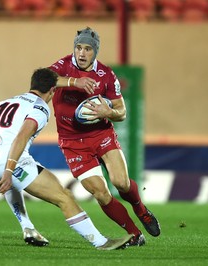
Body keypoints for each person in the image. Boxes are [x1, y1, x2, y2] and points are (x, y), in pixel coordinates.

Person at [0, 68, 132, 250]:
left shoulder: (7, 102)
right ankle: (101, 242)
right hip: (7, 163)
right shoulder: (40, 108)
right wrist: (9, 171)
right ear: (52, 91)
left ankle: (28, 228)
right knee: (64, 197)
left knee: (14, 184)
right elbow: (22, 136)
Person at [47, 27, 161, 247]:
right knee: (100, 193)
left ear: (95, 51)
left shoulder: (106, 75)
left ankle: (141, 209)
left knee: (121, 182)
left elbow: (122, 111)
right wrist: (74, 82)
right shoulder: (64, 66)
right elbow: (41, 78)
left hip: (101, 134)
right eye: (78, 47)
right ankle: (135, 234)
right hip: (73, 143)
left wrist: (108, 113)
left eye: (87, 49)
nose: (81, 53)